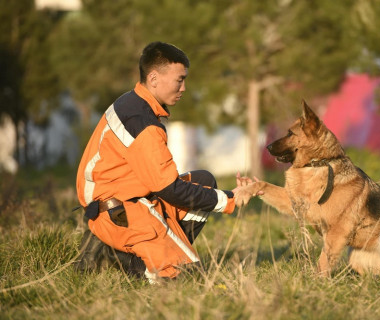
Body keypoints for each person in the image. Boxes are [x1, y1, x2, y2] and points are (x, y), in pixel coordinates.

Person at [75, 41, 250, 283]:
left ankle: (153, 252)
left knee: (204, 181)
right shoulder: (142, 121)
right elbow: (169, 188)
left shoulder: (132, 101)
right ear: (154, 78)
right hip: (121, 211)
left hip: (126, 200)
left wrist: (221, 196)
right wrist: (229, 199)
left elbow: (162, 182)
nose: (184, 87)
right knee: (188, 280)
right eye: (180, 79)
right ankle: (118, 256)